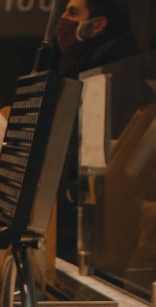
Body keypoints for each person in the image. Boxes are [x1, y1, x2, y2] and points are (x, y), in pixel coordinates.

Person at [50, 0, 140, 264]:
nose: (64, 20)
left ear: (98, 24)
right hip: (80, 222)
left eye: (73, 12)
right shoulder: (82, 68)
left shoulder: (109, 76)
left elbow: (110, 161)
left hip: (92, 232)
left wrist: (68, 196)